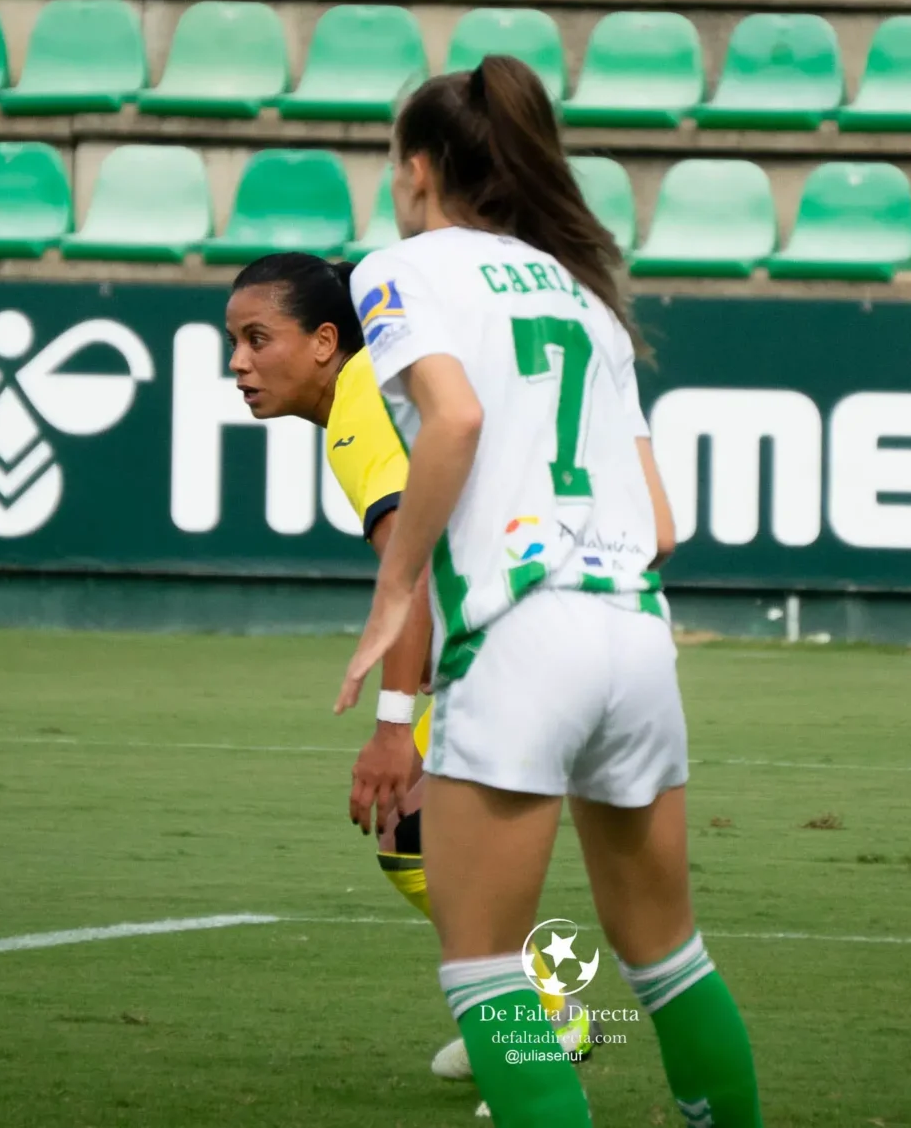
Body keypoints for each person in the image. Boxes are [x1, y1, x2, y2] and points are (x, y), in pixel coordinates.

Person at [333, 57, 764, 1127]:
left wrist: (397, 589)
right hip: (633, 635)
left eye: (397, 167)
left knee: (487, 976)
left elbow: (457, 418)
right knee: (669, 960)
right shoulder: (585, 297)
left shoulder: (401, 268)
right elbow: (663, 525)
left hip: (523, 639)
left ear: (420, 169)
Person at [222, 252, 590, 1085]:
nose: (237, 363)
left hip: (522, 640)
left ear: (324, 342)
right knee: (423, 836)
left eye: (256, 338)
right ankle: (528, 1008)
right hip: (571, 620)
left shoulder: (359, 410)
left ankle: (536, 1028)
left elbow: (415, 567)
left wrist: (393, 728)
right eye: (233, 342)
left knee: (417, 830)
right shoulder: (391, 385)